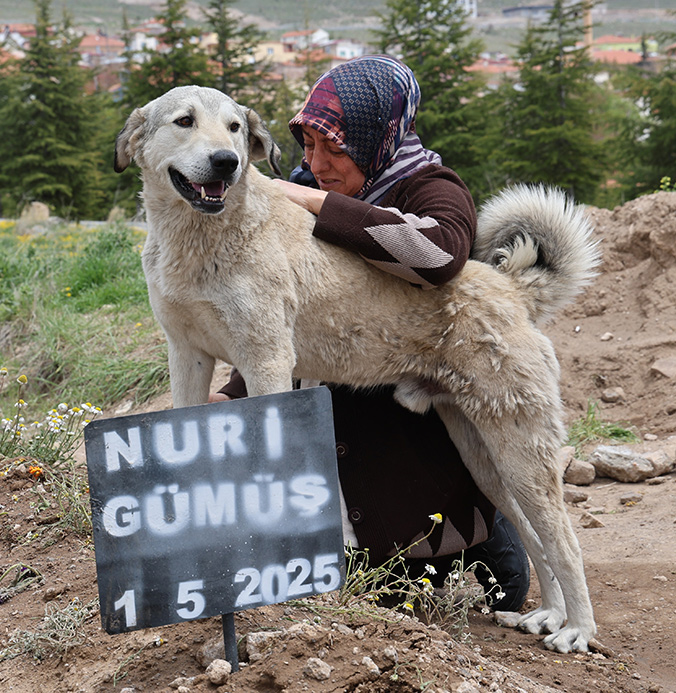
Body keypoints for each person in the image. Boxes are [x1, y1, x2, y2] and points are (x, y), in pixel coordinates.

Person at [209, 55, 530, 611]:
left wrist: (318, 203)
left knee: (482, 590)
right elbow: (278, 313)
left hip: (415, 449)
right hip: (343, 459)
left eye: (336, 149)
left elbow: (440, 255)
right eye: (309, 146)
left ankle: (490, 540)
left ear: (378, 138)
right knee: (369, 598)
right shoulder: (302, 189)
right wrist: (233, 394)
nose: (318, 163)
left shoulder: (428, 188)